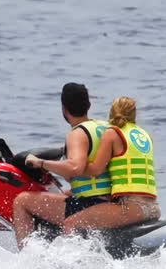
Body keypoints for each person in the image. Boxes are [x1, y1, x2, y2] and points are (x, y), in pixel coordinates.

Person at [12, 82, 115, 248]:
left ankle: (26, 256)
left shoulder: (77, 133)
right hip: (111, 200)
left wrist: (41, 163)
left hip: (91, 203)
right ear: (89, 105)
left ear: (64, 109)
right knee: (63, 194)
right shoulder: (105, 127)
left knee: (22, 201)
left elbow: (75, 167)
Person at [60, 96, 160, 234]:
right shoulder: (145, 135)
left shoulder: (112, 134)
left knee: (71, 223)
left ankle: (68, 250)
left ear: (112, 112)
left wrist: (71, 168)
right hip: (153, 207)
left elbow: (96, 170)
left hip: (132, 207)